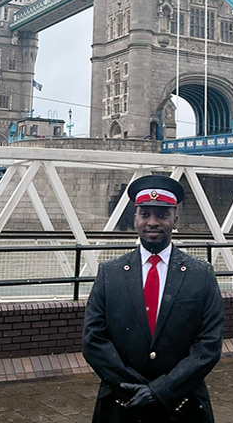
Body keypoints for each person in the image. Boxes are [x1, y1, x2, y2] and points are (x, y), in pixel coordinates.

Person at [83, 174, 224, 422]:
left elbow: (209, 345)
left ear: (175, 220)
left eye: (161, 214)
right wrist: (135, 390)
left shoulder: (200, 275)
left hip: (183, 404)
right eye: (145, 214)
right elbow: (94, 341)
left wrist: (161, 391)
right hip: (122, 403)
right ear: (135, 219)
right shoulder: (110, 273)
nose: (153, 222)